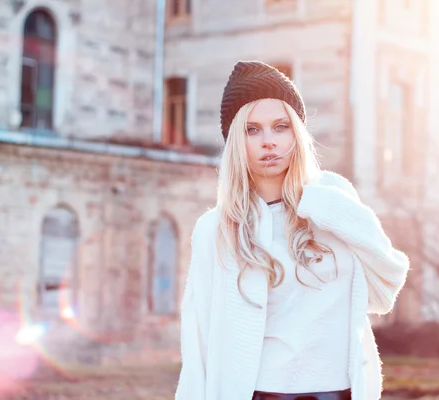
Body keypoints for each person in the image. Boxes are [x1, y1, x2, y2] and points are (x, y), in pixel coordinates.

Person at [175, 60, 410, 400]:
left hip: (339, 392)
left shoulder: (333, 199)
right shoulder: (215, 229)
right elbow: (197, 341)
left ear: (296, 132)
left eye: (280, 126)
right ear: (235, 142)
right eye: (252, 130)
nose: (268, 141)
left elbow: (385, 290)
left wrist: (329, 207)